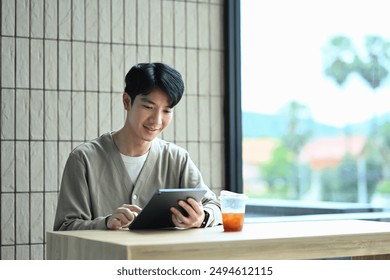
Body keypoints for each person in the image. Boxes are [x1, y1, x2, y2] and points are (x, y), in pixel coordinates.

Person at [53, 62, 222, 230]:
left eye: (167, 111)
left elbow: (215, 206)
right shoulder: (84, 159)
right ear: (127, 102)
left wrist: (202, 217)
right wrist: (105, 223)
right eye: (149, 107)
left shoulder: (177, 158)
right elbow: (65, 228)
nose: (156, 120)